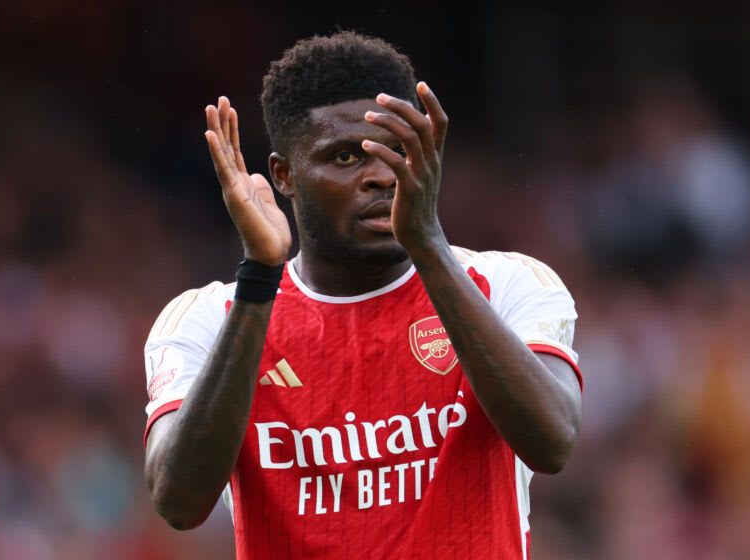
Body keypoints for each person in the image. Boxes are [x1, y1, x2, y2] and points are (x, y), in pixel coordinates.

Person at [143, 31, 582, 559]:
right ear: (284, 175)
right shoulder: (210, 318)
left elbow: (553, 441)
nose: (381, 176)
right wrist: (260, 275)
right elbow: (178, 500)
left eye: (396, 152)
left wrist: (428, 245)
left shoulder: (509, 284)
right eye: (347, 158)